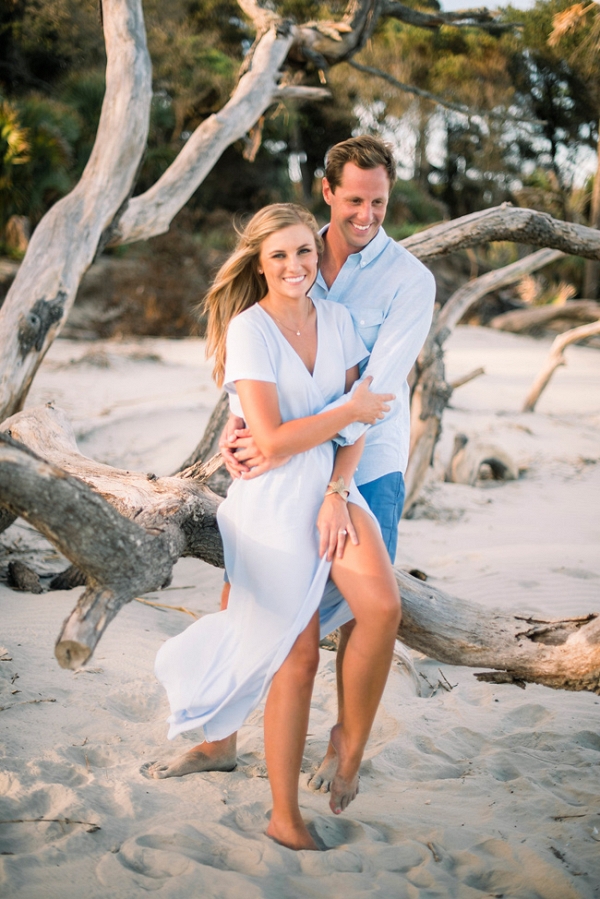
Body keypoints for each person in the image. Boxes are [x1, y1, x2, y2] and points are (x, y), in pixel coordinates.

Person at [146, 136, 436, 786]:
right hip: (280, 471)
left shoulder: (410, 281)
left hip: (368, 464)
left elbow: (376, 396)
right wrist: (239, 424)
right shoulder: (294, 252)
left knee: (364, 603)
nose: (366, 215)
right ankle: (218, 739)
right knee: (242, 592)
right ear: (328, 192)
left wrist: (334, 481)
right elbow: (263, 360)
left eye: (380, 202)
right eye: (354, 200)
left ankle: (347, 741)